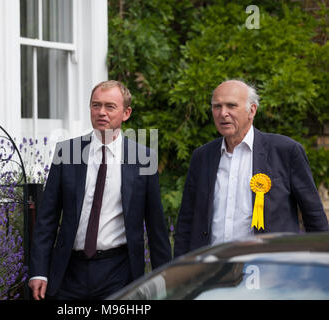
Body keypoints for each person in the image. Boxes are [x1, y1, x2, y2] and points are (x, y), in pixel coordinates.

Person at [29, 80, 171, 300]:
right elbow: (46, 219)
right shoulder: (67, 152)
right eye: (96, 105)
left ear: (126, 113)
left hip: (119, 272)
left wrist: (165, 278)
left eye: (110, 106)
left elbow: (156, 225)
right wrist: (38, 271)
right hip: (69, 271)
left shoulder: (142, 158)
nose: (101, 112)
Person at [174, 79, 328, 257]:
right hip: (212, 271)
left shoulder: (285, 151)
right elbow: (186, 222)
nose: (223, 113)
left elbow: (314, 217)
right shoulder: (202, 156)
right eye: (217, 106)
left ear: (252, 110)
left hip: (269, 269)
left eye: (231, 106)